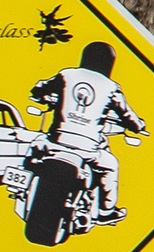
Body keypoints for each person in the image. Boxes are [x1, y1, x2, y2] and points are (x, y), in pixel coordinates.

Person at [27, 38, 147, 227]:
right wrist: (138, 125)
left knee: (35, 145)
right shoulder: (111, 88)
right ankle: (105, 212)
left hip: (55, 142)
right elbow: (126, 114)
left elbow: (40, 87)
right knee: (111, 165)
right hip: (87, 150)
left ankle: (27, 176)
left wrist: (40, 95)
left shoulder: (67, 74)